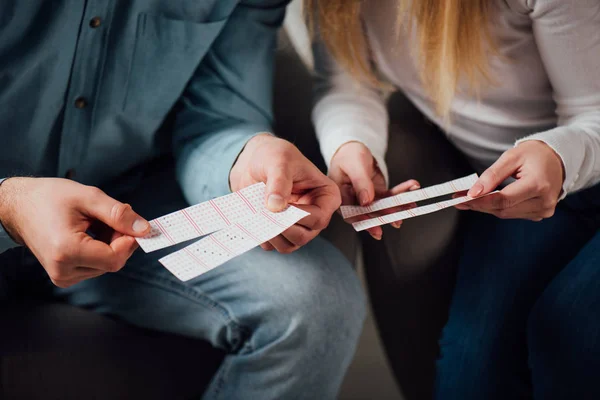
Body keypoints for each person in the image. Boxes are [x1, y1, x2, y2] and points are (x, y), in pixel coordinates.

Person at [0, 1, 366, 399]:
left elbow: (221, 110)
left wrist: (246, 157)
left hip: (134, 202)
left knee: (318, 303)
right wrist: (10, 204)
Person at [306, 0, 600, 398]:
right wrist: (351, 145)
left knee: (569, 334)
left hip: (579, 158)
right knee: (468, 372)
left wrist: (561, 157)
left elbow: (593, 109)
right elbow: (345, 81)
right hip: (515, 193)